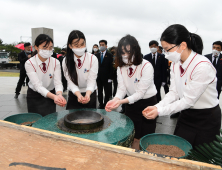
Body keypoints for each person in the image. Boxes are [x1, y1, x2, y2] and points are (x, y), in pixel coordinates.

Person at [143, 24, 221, 148]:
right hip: (186, 114)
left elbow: (188, 100)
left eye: (168, 49)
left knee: (200, 159)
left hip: (206, 118)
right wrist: (156, 106)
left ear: (183, 45)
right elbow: (174, 92)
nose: (165, 53)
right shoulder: (175, 64)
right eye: (163, 49)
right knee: (179, 150)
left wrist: (160, 111)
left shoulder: (202, 66)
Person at [105, 35, 157, 150]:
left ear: (136, 50)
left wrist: (121, 102)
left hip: (147, 103)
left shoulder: (146, 66)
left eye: (128, 52)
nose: (125, 56)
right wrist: (114, 100)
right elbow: (121, 89)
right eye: (122, 53)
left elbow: (140, 93)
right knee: (133, 136)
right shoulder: (120, 68)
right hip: (131, 105)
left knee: (146, 137)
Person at [25, 34, 66, 117]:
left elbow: (58, 82)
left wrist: (59, 94)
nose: (48, 50)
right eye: (44, 47)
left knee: (51, 120)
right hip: (34, 95)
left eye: (50, 48)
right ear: (36, 47)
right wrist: (54, 97)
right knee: (35, 121)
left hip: (51, 94)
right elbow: (38, 86)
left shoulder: (56, 62)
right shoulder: (30, 63)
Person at [63, 30, 98, 110]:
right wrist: (78, 95)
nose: (80, 48)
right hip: (74, 93)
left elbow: (92, 80)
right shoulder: (66, 61)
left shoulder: (93, 58)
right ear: (70, 46)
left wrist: (88, 94)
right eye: (76, 45)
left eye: (82, 44)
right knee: (72, 119)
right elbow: (70, 81)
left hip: (90, 93)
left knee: (90, 119)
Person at [95, 40, 113, 109]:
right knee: (100, 92)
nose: (101, 46)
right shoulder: (96, 55)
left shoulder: (110, 55)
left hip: (107, 77)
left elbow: (111, 67)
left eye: (103, 45)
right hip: (99, 77)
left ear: (106, 46)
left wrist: (110, 78)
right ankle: (101, 104)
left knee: (107, 92)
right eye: (100, 45)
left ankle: (106, 104)